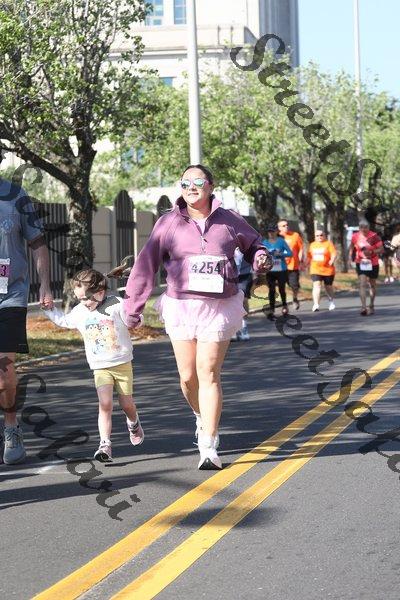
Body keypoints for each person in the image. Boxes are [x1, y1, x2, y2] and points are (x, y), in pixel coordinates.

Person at [123, 164, 272, 470]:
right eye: (185, 183)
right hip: (181, 306)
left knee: (208, 372)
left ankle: (209, 445)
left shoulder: (229, 219)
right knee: (188, 377)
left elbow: (255, 245)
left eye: (198, 182)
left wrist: (260, 257)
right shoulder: (168, 223)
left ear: (210, 186)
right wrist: (132, 308)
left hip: (219, 307)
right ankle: (201, 416)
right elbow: (146, 265)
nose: (191, 187)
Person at [43, 269, 144, 462]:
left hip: (122, 363)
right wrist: (49, 309)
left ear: (100, 292)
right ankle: (105, 444)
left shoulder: (116, 304)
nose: (83, 302)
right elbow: (64, 321)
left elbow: (133, 319)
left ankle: (133, 422)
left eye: (86, 298)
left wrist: (137, 320)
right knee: (105, 405)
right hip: (100, 367)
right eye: (79, 298)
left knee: (126, 404)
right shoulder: (80, 312)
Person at [0, 174, 54, 465]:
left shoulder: (16, 195)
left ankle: (11, 427)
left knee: (4, 372)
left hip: (9, 296)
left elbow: (37, 242)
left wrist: (45, 285)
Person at [347, 219, 383, 316]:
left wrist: (372, 252)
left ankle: (371, 304)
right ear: (359, 228)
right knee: (362, 284)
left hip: (373, 262)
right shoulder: (355, 236)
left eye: (366, 227)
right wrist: (350, 257)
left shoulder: (374, 236)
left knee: (372, 284)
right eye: (361, 227)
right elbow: (351, 247)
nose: (363, 229)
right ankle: (363, 307)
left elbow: (381, 249)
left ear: (369, 228)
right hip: (361, 262)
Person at [261, 224, 292, 320]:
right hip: (270, 270)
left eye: (272, 231)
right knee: (271, 290)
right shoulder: (265, 242)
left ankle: (284, 306)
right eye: (269, 232)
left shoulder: (281, 241)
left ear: (276, 232)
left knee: (282, 289)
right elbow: (261, 254)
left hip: (281, 270)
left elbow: (290, 253)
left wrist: (280, 254)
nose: (271, 233)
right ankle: (271, 310)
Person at [307, 230, 337, 312]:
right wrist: (305, 264)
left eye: (321, 235)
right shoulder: (312, 245)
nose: (319, 237)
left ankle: (331, 301)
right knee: (316, 285)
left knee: (328, 287)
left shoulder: (328, 244)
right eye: (317, 236)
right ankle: (316, 304)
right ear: (315, 237)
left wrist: (332, 260)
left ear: (324, 236)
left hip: (328, 269)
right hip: (315, 269)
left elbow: (333, 253)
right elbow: (309, 256)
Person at [277, 219, 303, 310]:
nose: (286, 227)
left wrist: (300, 260)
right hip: (281, 267)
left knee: (294, 286)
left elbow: (300, 249)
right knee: (282, 287)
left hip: (293, 266)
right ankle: (284, 305)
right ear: (279, 228)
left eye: (287, 225)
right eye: (283, 226)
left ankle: (295, 299)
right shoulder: (276, 237)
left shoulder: (295, 235)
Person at [232, 248, 253, 341]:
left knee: (243, 299)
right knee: (230, 301)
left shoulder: (245, 243)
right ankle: (233, 329)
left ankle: (244, 326)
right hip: (230, 275)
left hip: (245, 274)